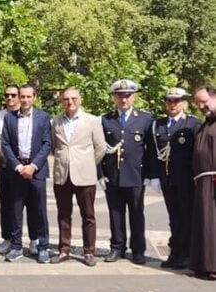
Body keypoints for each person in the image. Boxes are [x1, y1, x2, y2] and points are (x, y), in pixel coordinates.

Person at [145, 88, 201, 270]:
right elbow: (153, 152)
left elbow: (197, 154)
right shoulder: (158, 125)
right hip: (167, 179)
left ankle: (185, 254)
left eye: (177, 100)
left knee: (186, 217)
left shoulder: (192, 124)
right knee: (174, 217)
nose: (173, 104)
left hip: (186, 180)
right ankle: (175, 251)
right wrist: (153, 176)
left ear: (184, 102)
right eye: (169, 101)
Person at [49, 87, 106, 267]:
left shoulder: (92, 120)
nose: (70, 102)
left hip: (85, 176)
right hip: (62, 175)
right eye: (66, 99)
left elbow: (101, 148)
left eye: (73, 98)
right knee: (63, 215)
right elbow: (53, 146)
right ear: (62, 101)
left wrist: (87, 163)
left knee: (88, 215)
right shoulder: (56, 121)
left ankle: (89, 251)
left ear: (80, 99)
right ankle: (64, 250)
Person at [100, 79, 153, 265]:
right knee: (115, 213)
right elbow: (98, 149)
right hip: (113, 175)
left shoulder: (145, 119)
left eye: (127, 95)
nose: (124, 100)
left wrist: (149, 175)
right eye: (120, 96)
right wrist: (100, 174)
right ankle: (117, 247)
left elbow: (151, 150)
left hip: (136, 176)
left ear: (134, 96)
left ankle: (138, 250)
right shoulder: (106, 120)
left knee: (137, 214)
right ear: (114, 97)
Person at [1, 84, 52, 263]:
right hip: (17, 171)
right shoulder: (9, 118)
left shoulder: (43, 117)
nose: (25, 100)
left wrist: (33, 166)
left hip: (36, 171)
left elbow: (47, 144)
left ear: (34, 98)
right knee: (16, 210)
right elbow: (5, 144)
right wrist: (18, 167)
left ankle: (43, 246)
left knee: (39, 210)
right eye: (22, 97)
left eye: (28, 97)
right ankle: (16, 246)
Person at [0, 85, 36, 255]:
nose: (10, 98)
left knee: (32, 204)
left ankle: (34, 239)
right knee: (8, 205)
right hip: (6, 166)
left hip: (29, 166)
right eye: (7, 95)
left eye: (13, 95)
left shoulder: (30, 114)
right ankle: (8, 238)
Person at [190, 86, 216, 280]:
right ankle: (203, 264)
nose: (201, 105)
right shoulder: (204, 124)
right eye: (198, 103)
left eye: (204, 101)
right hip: (203, 182)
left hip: (213, 181)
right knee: (204, 224)